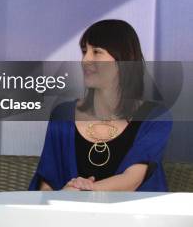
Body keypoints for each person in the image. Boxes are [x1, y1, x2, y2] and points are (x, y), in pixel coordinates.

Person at [29, 19, 172, 191]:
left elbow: (133, 179)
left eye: (96, 52)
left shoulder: (155, 117)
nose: (85, 60)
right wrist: (62, 197)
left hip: (131, 217)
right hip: (70, 216)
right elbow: (47, 182)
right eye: (84, 51)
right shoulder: (63, 114)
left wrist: (82, 191)